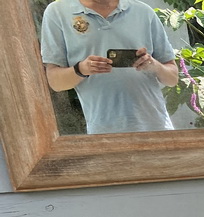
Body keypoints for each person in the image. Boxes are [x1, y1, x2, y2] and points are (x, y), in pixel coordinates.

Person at [39, 0, 179, 134]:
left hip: (157, 127)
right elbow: (55, 82)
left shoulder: (143, 11)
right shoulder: (57, 12)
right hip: (103, 133)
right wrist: (81, 69)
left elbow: (173, 78)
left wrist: (154, 65)